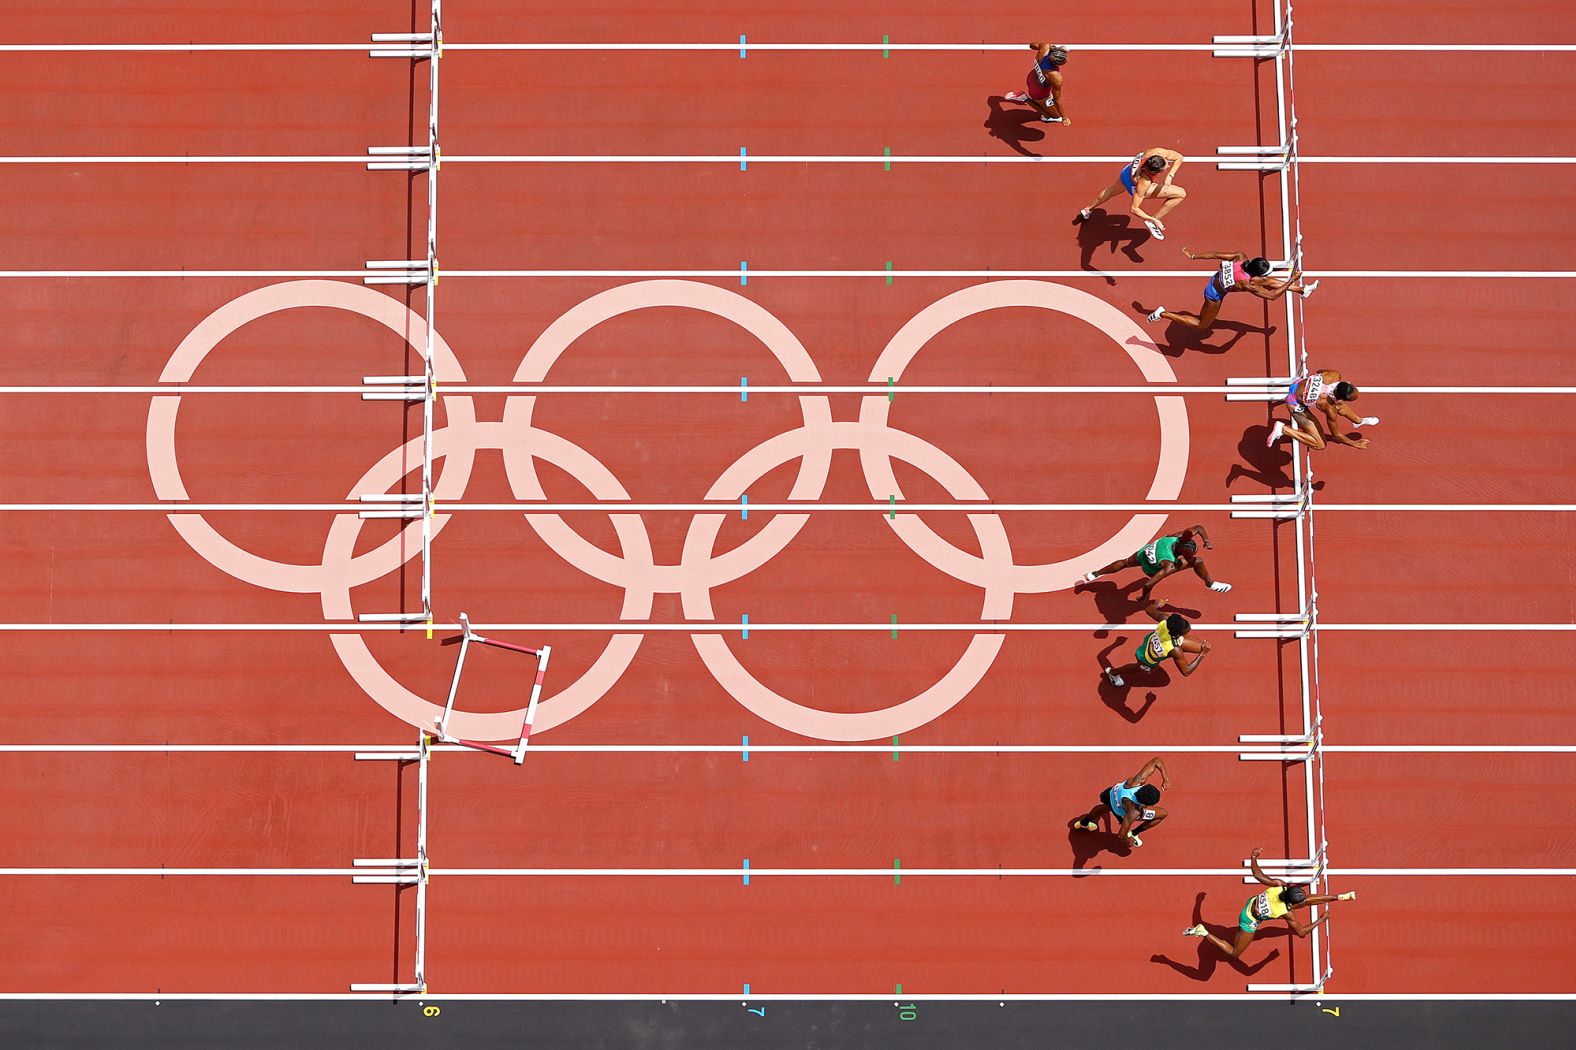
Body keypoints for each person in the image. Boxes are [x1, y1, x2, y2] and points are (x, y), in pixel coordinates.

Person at [1184, 847, 1357, 959]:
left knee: (1306, 902)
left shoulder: (1278, 885)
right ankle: (1204, 932)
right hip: (1248, 920)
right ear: (1291, 904)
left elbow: (1258, 875)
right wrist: (1322, 919)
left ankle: (1339, 897)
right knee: (1234, 953)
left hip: (1251, 903)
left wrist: (1253, 857)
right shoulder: (1286, 913)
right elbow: (1302, 933)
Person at [1144, 247, 1319, 328]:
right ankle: (1163, 313)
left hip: (1216, 280)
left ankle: (1302, 290)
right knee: (1201, 325)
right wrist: (1290, 280)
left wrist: (1194, 256)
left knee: (1265, 282)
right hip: (1213, 295)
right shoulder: (1245, 283)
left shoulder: (1240, 257)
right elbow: (1272, 297)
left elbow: (1214, 254)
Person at [1081, 525, 1230, 595]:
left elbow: (1198, 527)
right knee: (1198, 562)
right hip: (1151, 569)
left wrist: (1207, 540)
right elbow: (1148, 584)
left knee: (1125, 563)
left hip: (1143, 553)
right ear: (1182, 552)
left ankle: (1094, 574)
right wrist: (1143, 596)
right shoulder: (1169, 563)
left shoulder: (1175, 536)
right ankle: (1210, 584)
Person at [1075, 147, 1186, 240]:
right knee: (1181, 194)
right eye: (1165, 168)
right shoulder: (1145, 182)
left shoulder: (1155, 152)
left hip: (1126, 173)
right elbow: (1134, 209)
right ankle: (1154, 221)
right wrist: (1153, 219)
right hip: (1135, 186)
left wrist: (1170, 175)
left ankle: (1087, 209)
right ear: (1155, 172)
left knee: (1111, 190)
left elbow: (1179, 157)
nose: (1168, 166)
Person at [1104, 599, 1210, 688]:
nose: (1189, 626)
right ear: (1178, 634)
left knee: (1198, 646)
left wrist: (1156, 605)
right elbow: (1186, 671)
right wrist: (1203, 654)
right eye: (1186, 627)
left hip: (1153, 640)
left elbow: (1148, 609)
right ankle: (1113, 672)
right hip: (1147, 659)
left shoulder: (1165, 620)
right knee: (1138, 669)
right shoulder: (1174, 650)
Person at [1072, 756, 1170, 848]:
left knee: (1106, 807)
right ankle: (1135, 833)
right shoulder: (1134, 812)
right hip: (1122, 809)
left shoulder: (1137, 781)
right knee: (1163, 814)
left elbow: (1156, 760)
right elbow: (1121, 835)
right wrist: (1129, 841)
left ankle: (1084, 822)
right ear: (1145, 804)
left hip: (1109, 795)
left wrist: (1166, 779)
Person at [1269, 369, 1378, 451]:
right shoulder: (1328, 406)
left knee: (1339, 406)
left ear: (1347, 383)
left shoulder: (1334, 374)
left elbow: (1319, 371)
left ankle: (1358, 421)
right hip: (1294, 403)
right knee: (1320, 444)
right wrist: (1354, 444)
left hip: (1297, 384)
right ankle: (1283, 430)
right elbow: (1336, 434)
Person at [1003, 42, 1071, 125]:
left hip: (1031, 78)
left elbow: (1032, 45)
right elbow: (1056, 100)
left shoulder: (1044, 48)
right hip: (1039, 92)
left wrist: (1052, 47)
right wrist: (1064, 117)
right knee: (1057, 117)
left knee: (1050, 106)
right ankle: (1024, 98)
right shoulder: (1055, 77)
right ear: (1058, 64)